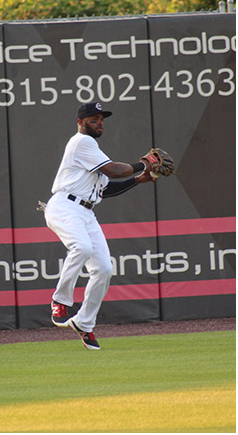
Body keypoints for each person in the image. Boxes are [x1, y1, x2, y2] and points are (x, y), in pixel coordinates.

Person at [44, 102, 155, 350]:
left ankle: (84, 323)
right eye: (94, 119)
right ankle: (59, 301)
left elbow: (106, 188)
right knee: (81, 248)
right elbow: (114, 170)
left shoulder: (94, 152)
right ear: (81, 122)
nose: (100, 122)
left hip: (85, 212)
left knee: (104, 269)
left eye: (102, 119)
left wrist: (138, 179)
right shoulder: (82, 143)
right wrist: (144, 163)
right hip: (65, 206)